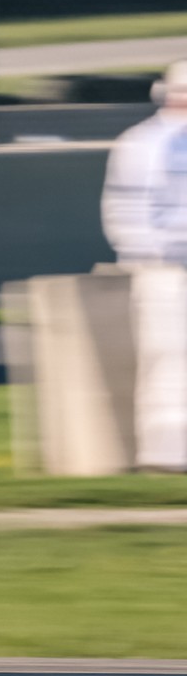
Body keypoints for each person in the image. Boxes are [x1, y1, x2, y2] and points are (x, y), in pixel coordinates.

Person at [100, 60, 187, 470]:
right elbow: (127, 209)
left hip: (165, 267)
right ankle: (167, 454)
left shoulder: (142, 141)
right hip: (168, 272)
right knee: (170, 359)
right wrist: (150, 256)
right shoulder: (146, 143)